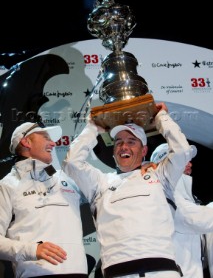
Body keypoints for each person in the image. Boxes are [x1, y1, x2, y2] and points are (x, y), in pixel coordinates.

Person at [63, 102, 196, 278]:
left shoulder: (160, 176)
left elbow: (182, 152)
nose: (123, 146)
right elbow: (72, 162)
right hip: (118, 273)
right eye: (119, 142)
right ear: (113, 151)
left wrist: (162, 118)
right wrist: (92, 128)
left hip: (162, 271)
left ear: (144, 150)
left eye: (131, 141)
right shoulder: (101, 182)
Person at [0, 121, 90, 278]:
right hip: (35, 275)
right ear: (26, 142)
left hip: (78, 274)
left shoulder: (66, 178)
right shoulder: (7, 185)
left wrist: (146, 165)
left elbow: (107, 189)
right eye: (46, 137)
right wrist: (32, 250)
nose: (53, 143)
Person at [150, 143, 213, 278]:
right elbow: (196, 219)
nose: (190, 164)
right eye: (184, 160)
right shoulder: (163, 196)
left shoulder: (188, 198)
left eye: (189, 160)